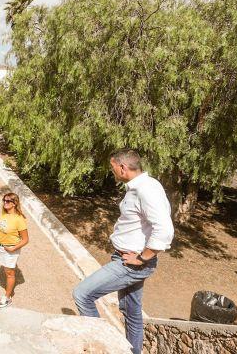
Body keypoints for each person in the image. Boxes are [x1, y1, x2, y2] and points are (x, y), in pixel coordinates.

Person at [73, 148, 175, 354]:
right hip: (129, 258)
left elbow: (165, 229)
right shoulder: (143, 186)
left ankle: (101, 346)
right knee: (131, 313)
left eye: (113, 168)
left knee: (82, 294)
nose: (112, 172)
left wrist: (142, 258)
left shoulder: (146, 189)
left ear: (122, 167)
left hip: (130, 263)